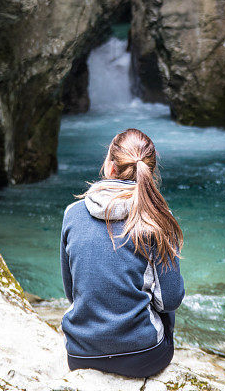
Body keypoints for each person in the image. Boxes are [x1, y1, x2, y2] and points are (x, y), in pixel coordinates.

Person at [59, 127, 184, 377]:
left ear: (110, 168)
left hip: (79, 354)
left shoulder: (72, 214)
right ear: (150, 172)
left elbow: (72, 292)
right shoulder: (156, 219)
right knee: (163, 296)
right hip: (143, 358)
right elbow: (171, 299)